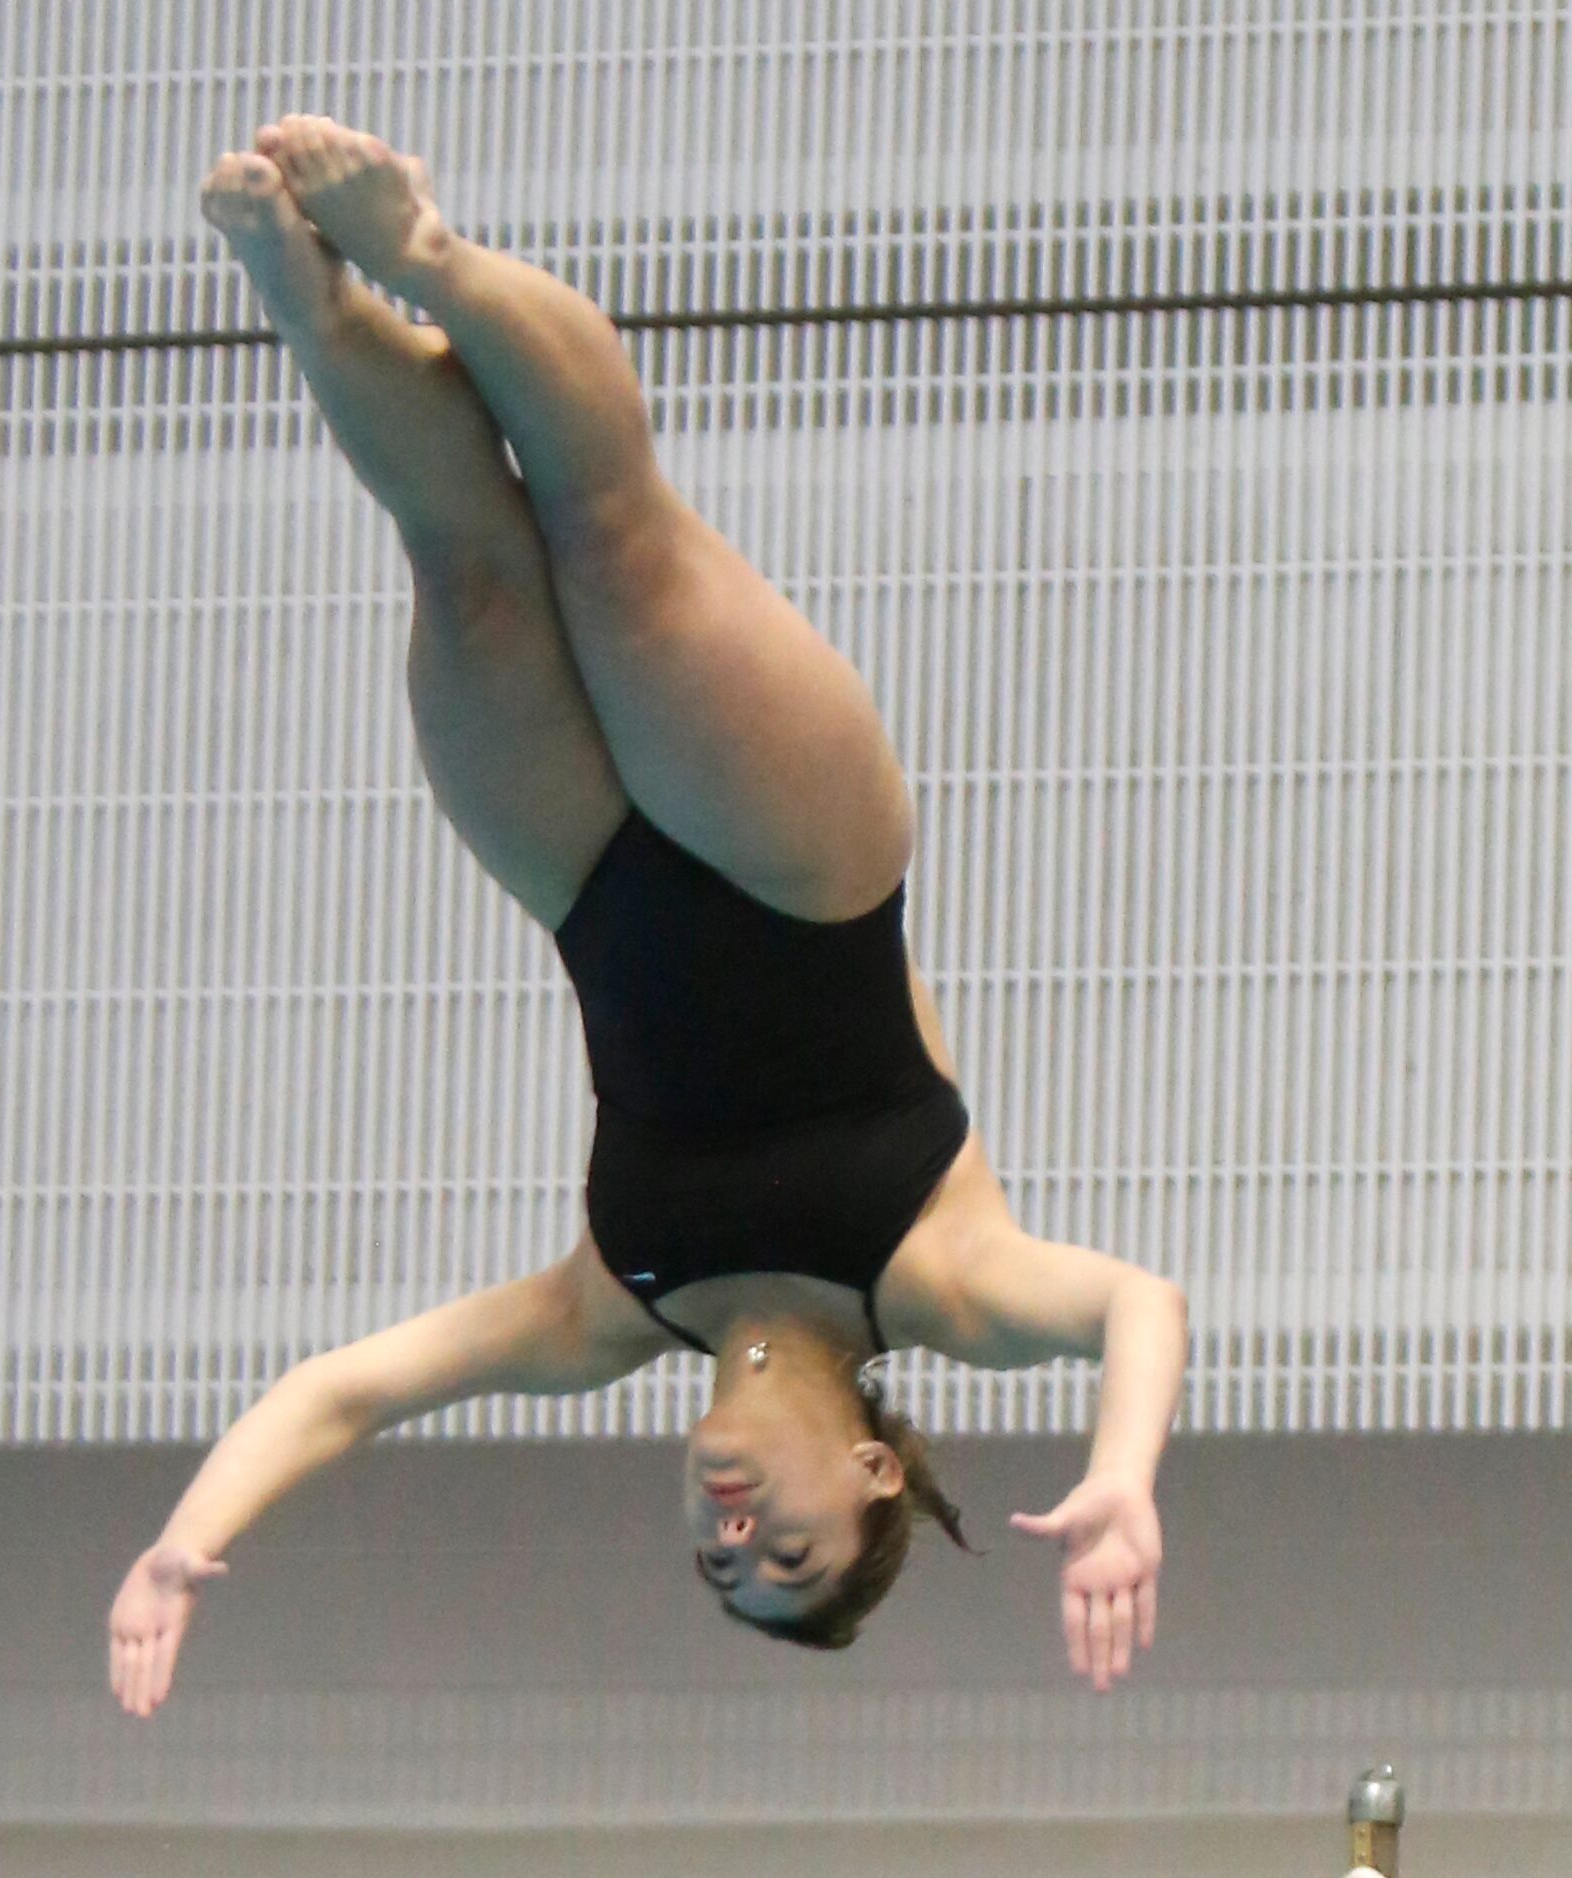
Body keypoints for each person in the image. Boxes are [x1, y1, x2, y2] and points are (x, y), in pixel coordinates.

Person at [108, 117, 1188, 1717]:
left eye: (718, 1572)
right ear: (874, 1469)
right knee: (608, 540)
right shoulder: (939, 1282)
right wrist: (1121, 1477)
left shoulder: (616, 1301)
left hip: (585, 879)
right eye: (792, 1559)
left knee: (467, 566)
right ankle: (426, 257)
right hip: (799, 854)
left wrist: (186, 1536)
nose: (736, 1542)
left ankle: (304, 300)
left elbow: (347, 1390)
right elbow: (1132, 1302)